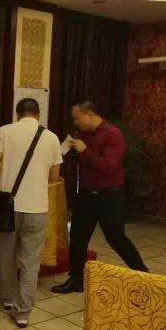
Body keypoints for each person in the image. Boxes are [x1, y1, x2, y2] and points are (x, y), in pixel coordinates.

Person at [52, 100, 148, 294]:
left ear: (89, 114)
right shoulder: (81, 135)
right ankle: (76, 280)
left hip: (109, 195)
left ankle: (144, 275)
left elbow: (108, 167)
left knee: (116, 238)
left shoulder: (113, 134)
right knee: (77, 238)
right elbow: (63, 154)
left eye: (77, 118)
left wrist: (85, 151)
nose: (75, 122)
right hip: (85, 194)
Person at [0, 98, 62, 328]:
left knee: (6, 254)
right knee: (31, 261)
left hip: (8, 206)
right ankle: (23, 312)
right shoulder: (51, 137)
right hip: (37, 207)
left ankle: (8, 299)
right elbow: (54, 176)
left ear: (17, 114)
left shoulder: (5, 131)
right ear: (38, 114)